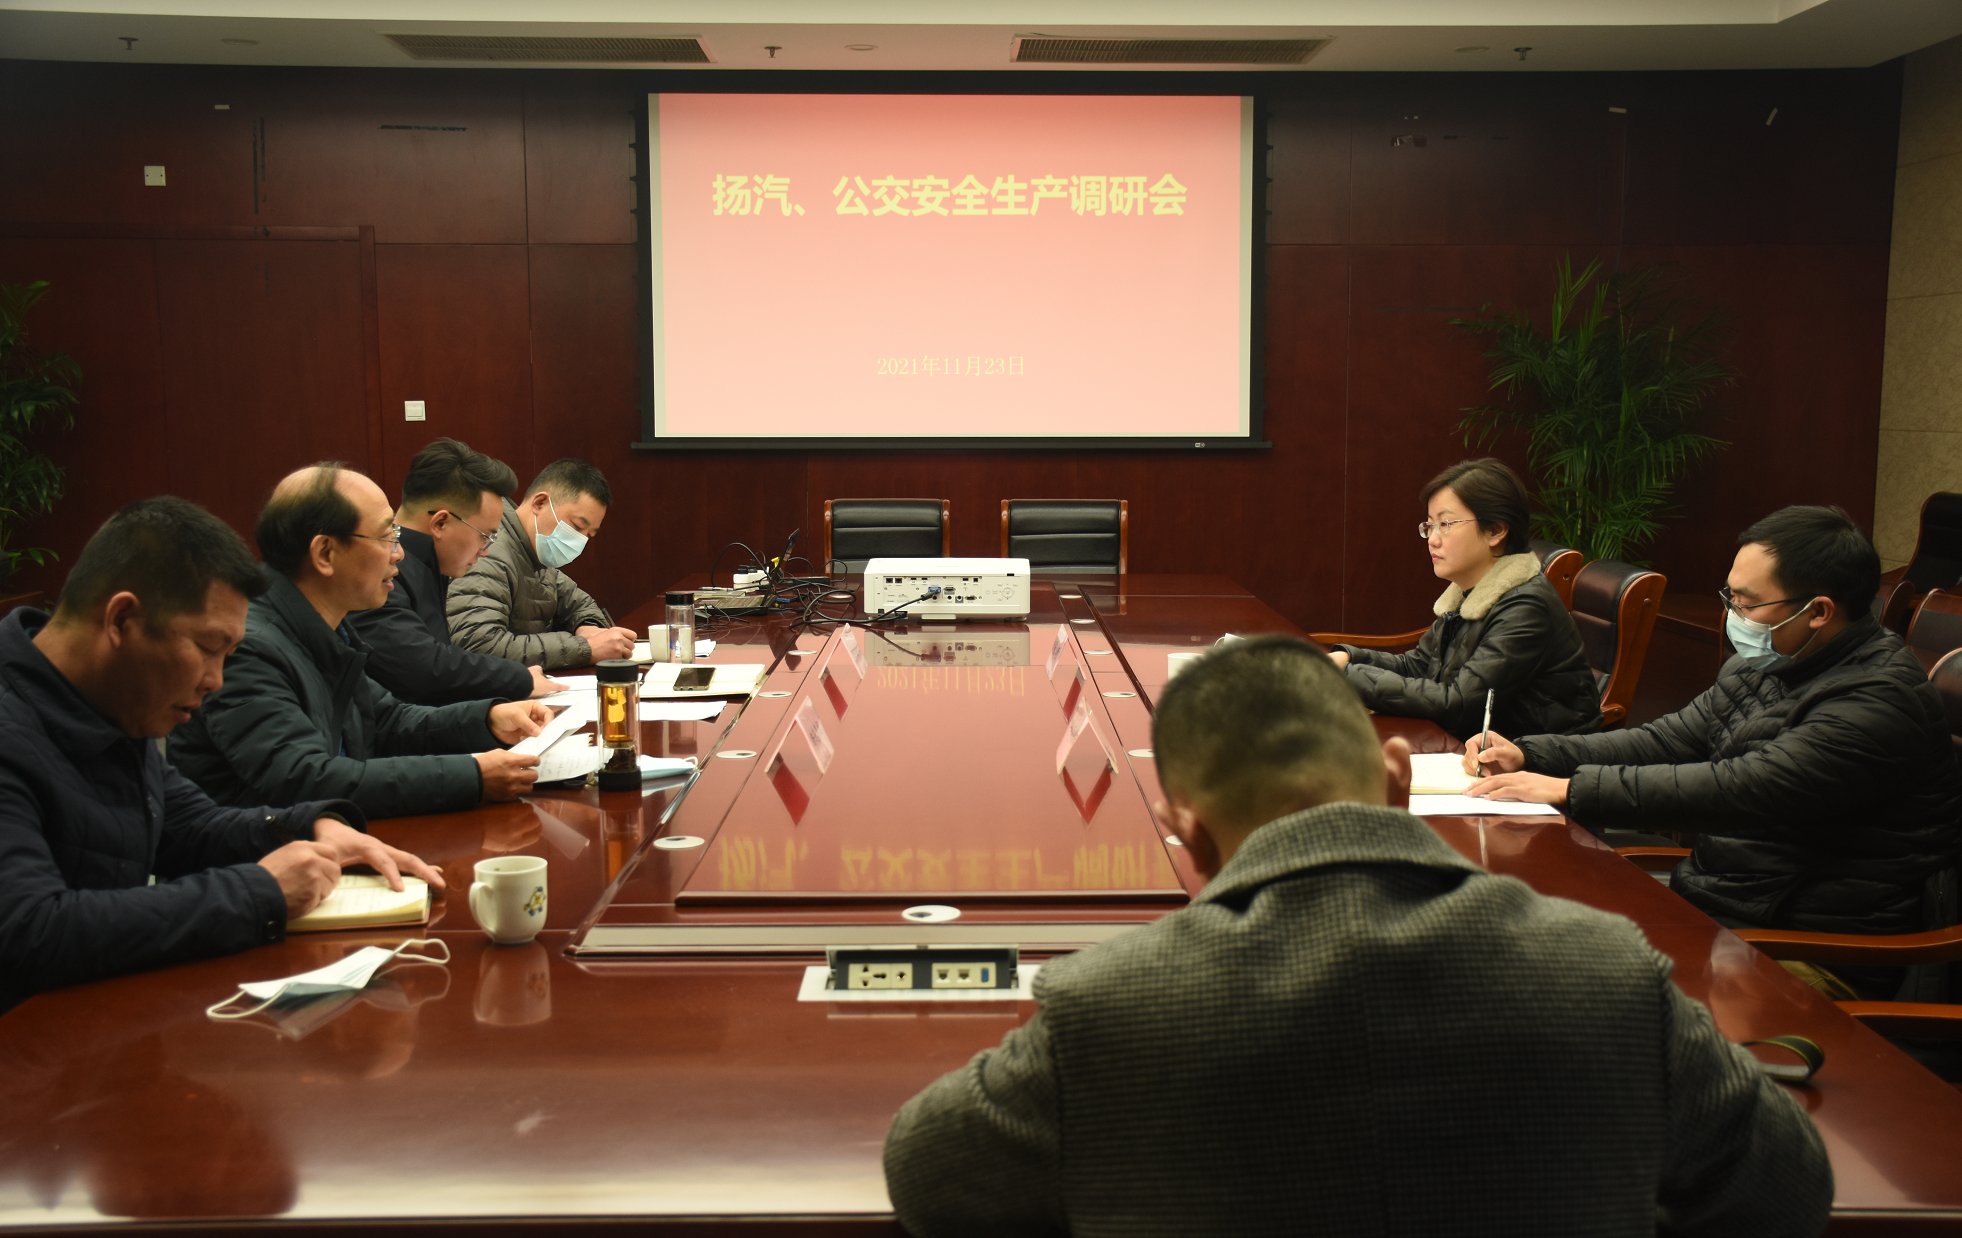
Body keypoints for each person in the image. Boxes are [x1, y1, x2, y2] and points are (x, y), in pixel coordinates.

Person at [884, 635, 1831, 1238]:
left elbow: (928, 1179)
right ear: (1397, 777)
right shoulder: (1607, 972)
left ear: (1185, 832)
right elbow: (1787, 1195)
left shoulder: (1107, 1005)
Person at [1465, 505, 1962, 993]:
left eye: (1747, 603)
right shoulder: (1771, 662)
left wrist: (1568, 789)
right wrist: (1531, 754)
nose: (1731, 615)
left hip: (1810, 951)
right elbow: (1666, 740)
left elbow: (1739, 788)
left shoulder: (1879, 700)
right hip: (1724, 910)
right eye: (1730, 595)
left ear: (1818, 612)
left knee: (1551, 985)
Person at [0, 496, 444, 1014]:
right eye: (208, 648)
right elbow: (28, 931)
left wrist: (310, 827)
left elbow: (189, 827)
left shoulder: (112, 699)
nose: (215, 681)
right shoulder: (19, 723)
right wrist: (261, 891)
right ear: (121, 619)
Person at [168, 464, 550, 820]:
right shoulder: (249, 647)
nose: (399, 553)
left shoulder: (325, 626)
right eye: (387, 536)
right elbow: (304, 779)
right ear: (325, 553)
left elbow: (385, 721)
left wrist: (487, 719)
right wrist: (471, 775)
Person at [1327, 458, 1600, 740]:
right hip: (1474, 745)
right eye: (1429, 525)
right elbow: (1419, 667)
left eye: (1445, 523)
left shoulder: (1527, 607)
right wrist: (1349, 658)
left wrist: (1348, 676)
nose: (1432, 539)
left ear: (1495, 530)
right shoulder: (1470, 591)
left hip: (1539, 759)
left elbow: (1459, 704)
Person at [346, 438, 567, 706]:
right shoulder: (380, 571)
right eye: (485, 536)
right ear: (440, 522)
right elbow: (423, 670)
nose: (485, 551)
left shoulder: (428, 565)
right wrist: (516, 679)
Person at [447, 457, 637, 669]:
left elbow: (581, 605)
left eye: (588, 534)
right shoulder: (489, 553)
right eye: (576, 527)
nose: (579, 540)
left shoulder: (536, 556)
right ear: (540, 503)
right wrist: (585, 648)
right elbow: (478, 644)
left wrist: (587, 627)